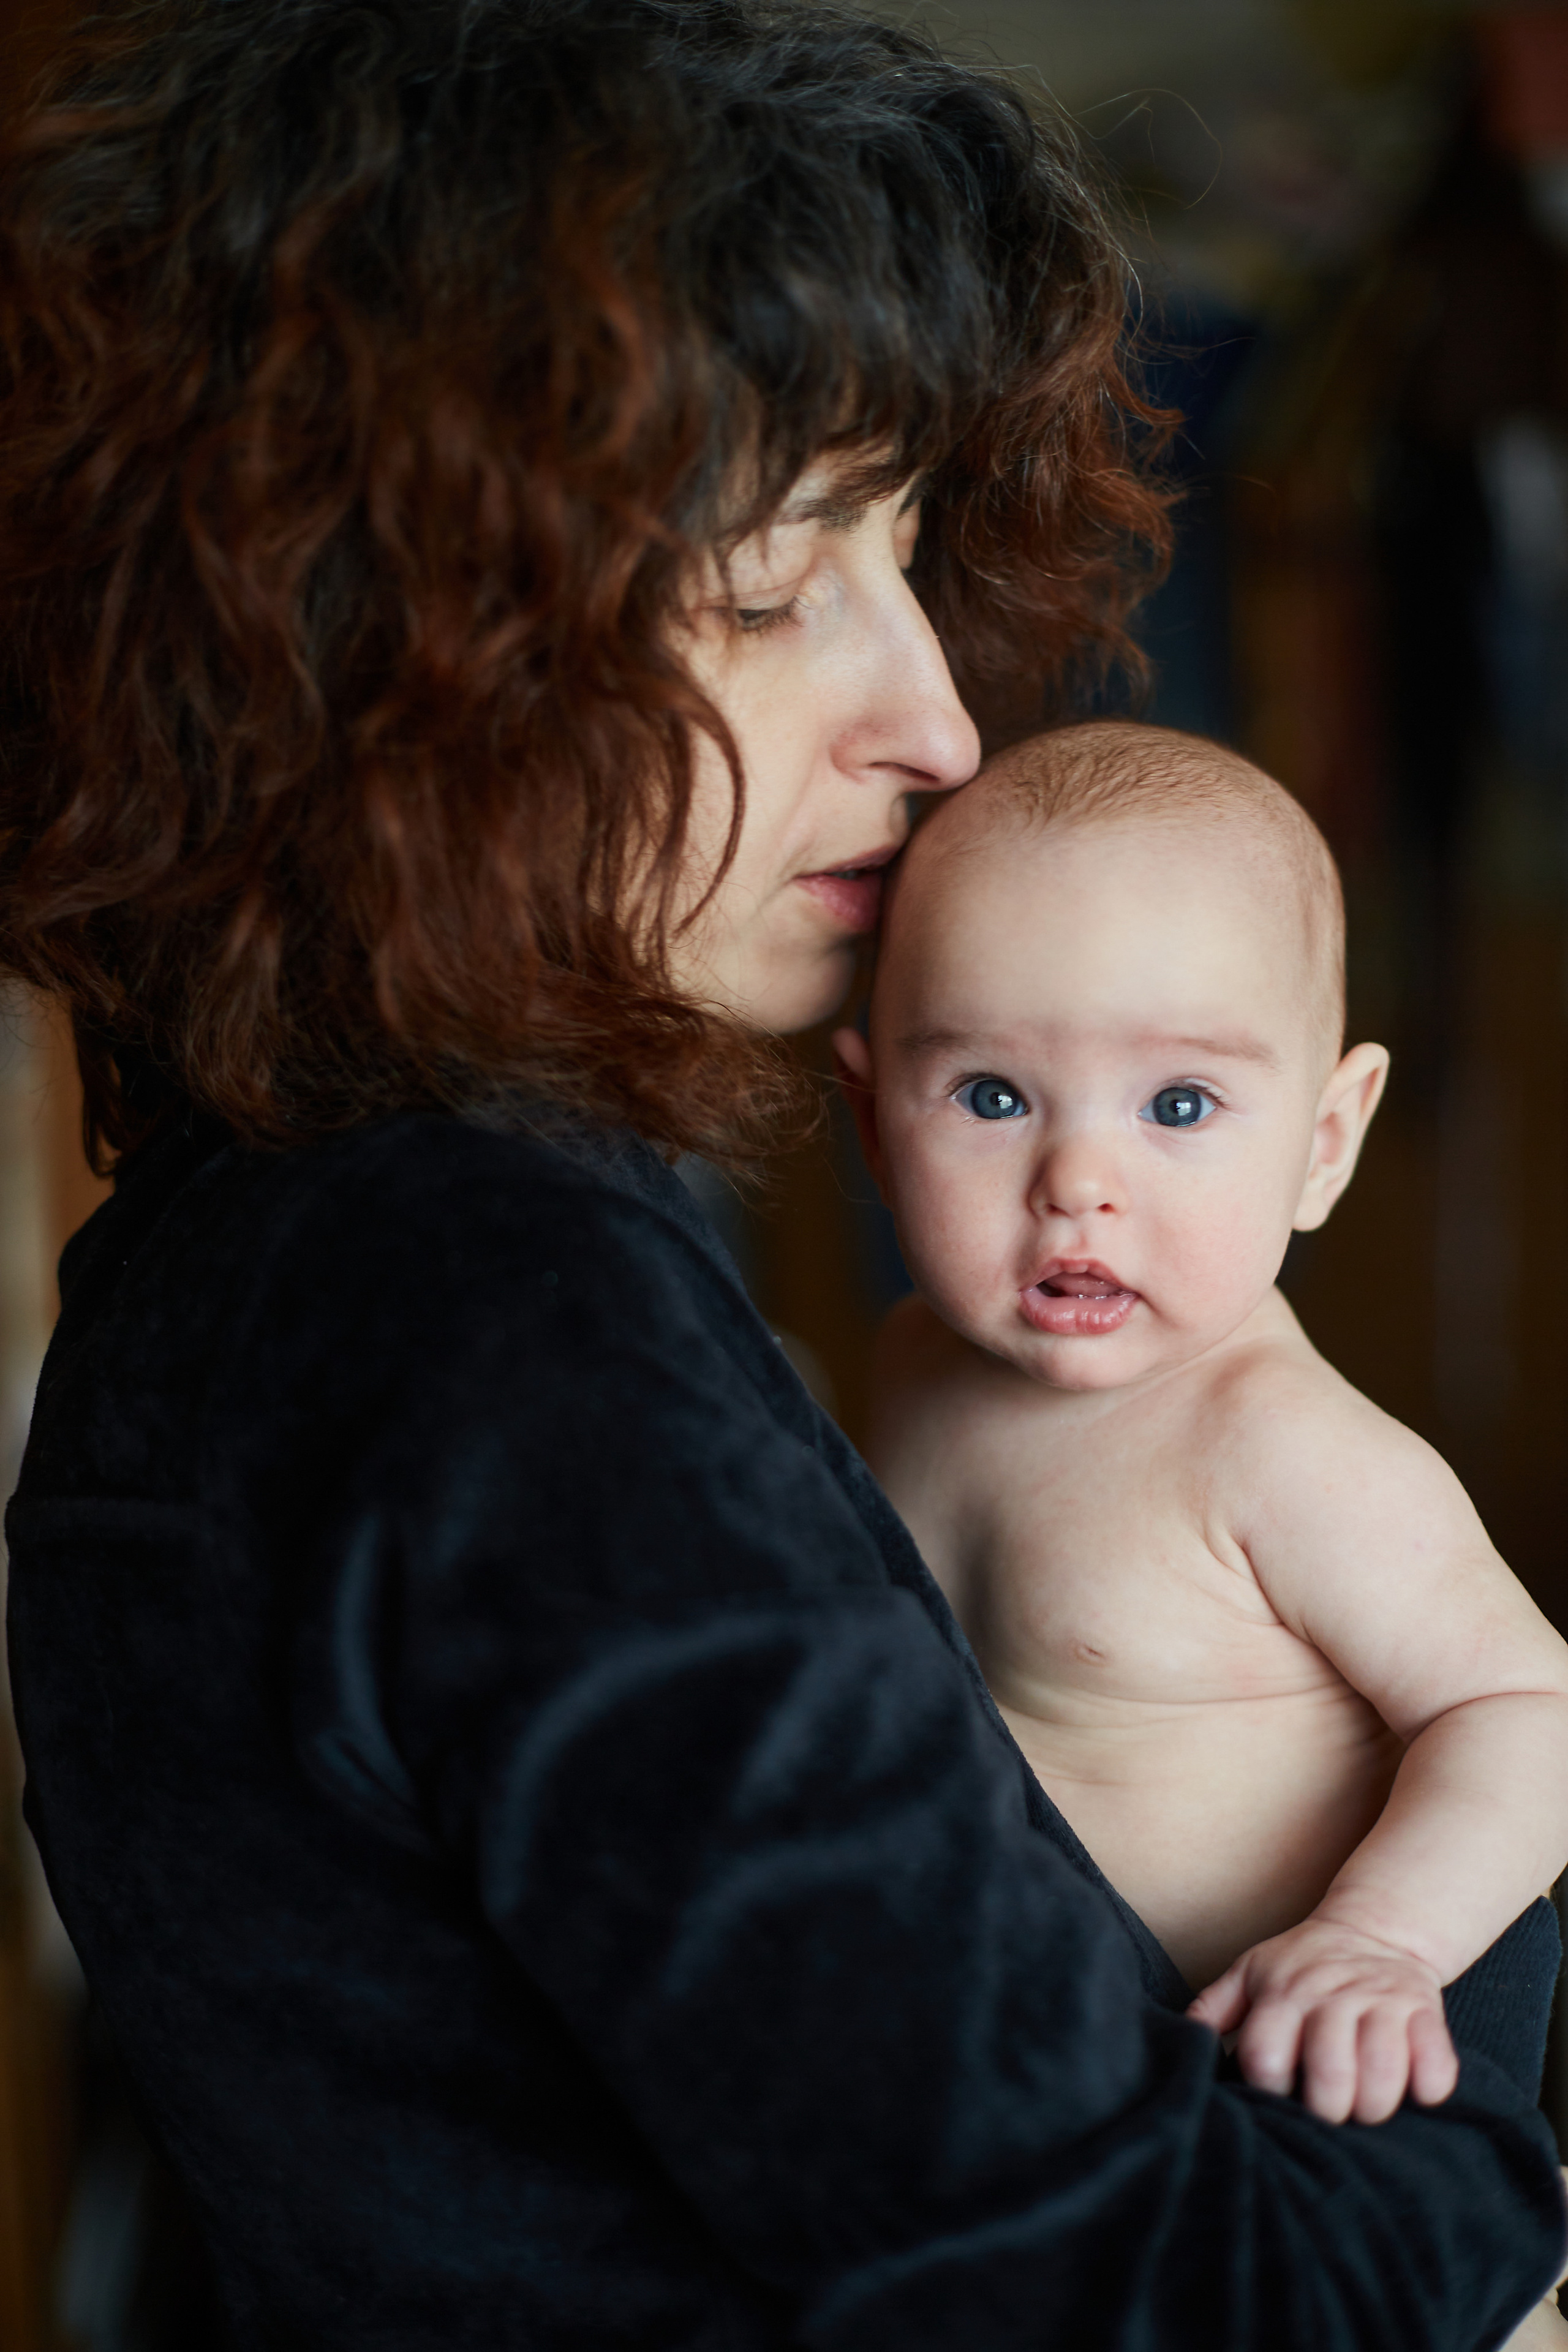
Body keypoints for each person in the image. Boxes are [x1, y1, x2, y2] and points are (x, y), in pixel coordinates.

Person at [0, 4, 1562, 2346]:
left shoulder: (220, 1248)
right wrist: (1479, 2144)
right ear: (401, 634)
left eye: (907, 551)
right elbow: (1163, 2294)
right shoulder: (504, 1322)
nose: (935, 720)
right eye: (773, 579)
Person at [837, 719, 1568, 2136]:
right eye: (991, 1096)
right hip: (1061, 2057)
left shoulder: (1277, 1446)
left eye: (1176, 1104)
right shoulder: (912, 1362)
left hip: (1326, 2055)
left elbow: (1530, 1711)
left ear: (1322, 1142)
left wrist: (1378, 1940)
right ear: (871, 1125)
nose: (1077, 1181)